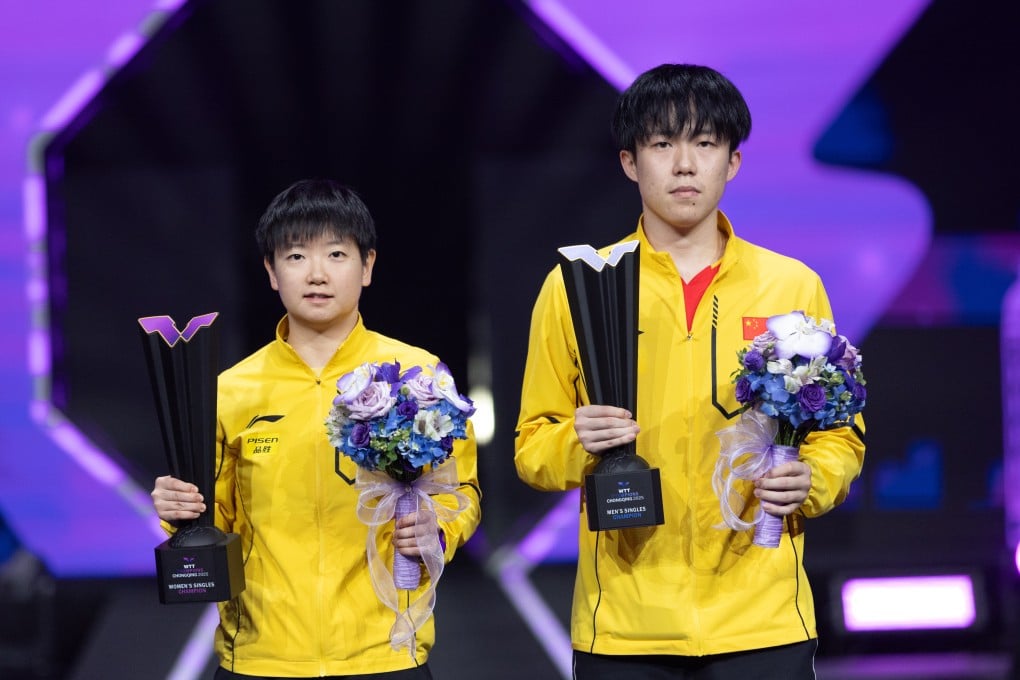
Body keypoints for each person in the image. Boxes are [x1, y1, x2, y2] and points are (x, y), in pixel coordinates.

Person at [514, 64, 865, 679]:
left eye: (704, 143)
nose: (684, 164)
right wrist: (577, 440)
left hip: (763, 620)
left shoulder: (790, 284)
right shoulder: (580, 287)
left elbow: (841, 432)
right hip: (624, 627)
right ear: (630, 162)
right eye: (662, 144)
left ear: (732, 162)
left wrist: (813, 479)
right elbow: (532, 445)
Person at [151, 179, 481, 679]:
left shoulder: (418, 374)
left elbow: (462, 491)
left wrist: (439, 529)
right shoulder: (231, 391)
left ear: (368, 266)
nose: (318, 274)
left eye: (336, 254)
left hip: (386, 652)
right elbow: (211, 520)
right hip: (262, 658)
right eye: (297, 256)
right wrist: (179, 512)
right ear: (271, 272)